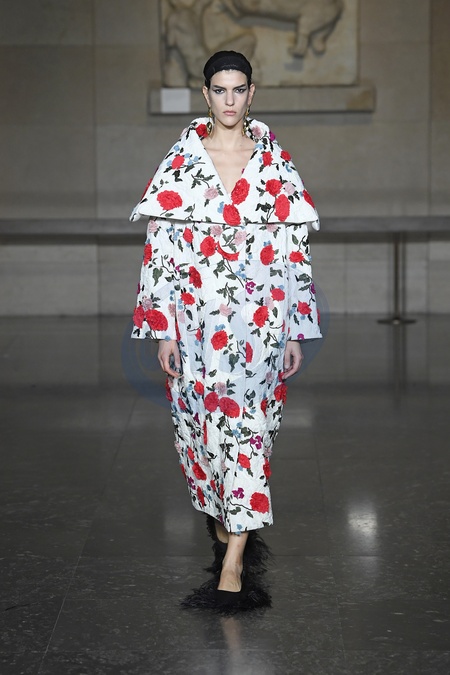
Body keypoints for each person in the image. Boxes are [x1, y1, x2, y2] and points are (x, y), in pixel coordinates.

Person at [130, 50, 321, 610]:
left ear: (252, 93)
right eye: (220, 89)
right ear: (206, 93)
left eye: (239, 89)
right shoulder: (182, 163)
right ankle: (225, 524)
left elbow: (294, 252)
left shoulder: (275, 163)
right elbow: (161, 251)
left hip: (261, 326)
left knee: (248, 433)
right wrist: (164, 329)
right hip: (196, 327)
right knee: (202, 436)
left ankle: (234, 560)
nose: (230, 99)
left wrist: (294, 329)